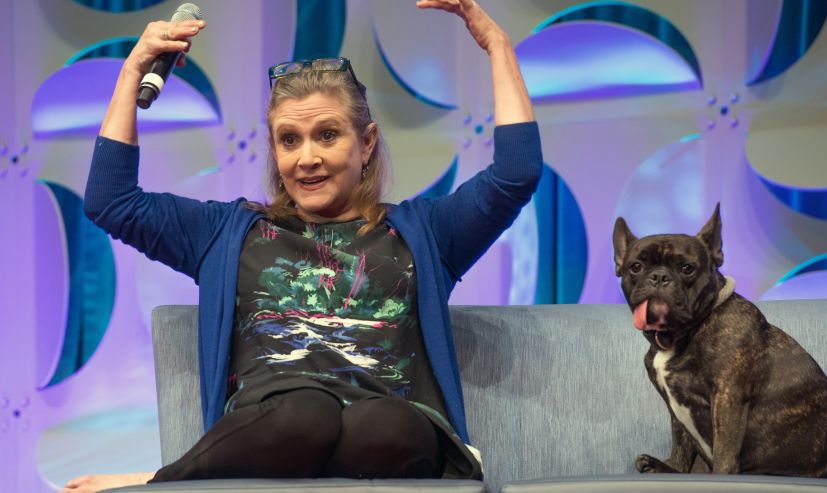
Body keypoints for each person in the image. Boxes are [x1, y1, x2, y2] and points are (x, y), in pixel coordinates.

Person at [61, 0, 540, 491]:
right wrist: (132, 71)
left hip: (391, 443)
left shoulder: (426, 231)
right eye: (289, 140)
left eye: (327, 135)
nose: (307, 158)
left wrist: (497, 46)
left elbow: (515, 174)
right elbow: (111, 201)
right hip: (276, 430)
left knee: (384, 423)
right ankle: (177, 480)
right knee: (305, 413)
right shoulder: (228, 233)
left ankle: (166, 481)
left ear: (367, 143)